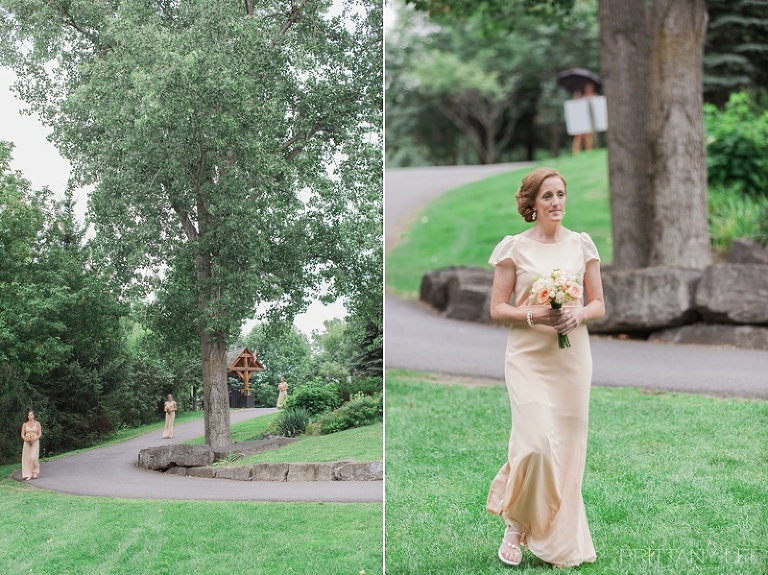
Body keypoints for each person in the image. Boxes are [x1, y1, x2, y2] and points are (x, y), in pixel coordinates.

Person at [487, 167, 605, 568]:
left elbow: (598, 303)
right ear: (533, 204)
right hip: (528, 357)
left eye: (560, 194)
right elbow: (498, 309)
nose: (556, 202)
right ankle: (514, 526)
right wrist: (536, 314)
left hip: (572, 359)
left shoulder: (582, 244)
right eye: (547, 196)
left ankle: (558, 540)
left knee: (567, 449)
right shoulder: (514, 248)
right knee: (535, 442)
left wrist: (578, 314)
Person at [571, 80, 596, 155]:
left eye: (590, 87)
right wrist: (576, 98)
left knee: (588, 137)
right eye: (587, 87)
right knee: (578, 136)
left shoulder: (594, 96)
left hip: (589, 121)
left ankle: (589, 151)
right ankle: (575, 152)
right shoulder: (581, 96)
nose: (588, 89)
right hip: (581, 120)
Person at [20, 410, 42, 480]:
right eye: (28, 415)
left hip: (35, 441)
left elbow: (39, 434)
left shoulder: (37, 423)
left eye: (31, 415)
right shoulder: (25, 424)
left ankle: (35, 471)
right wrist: (26, 439)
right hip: (27, 442)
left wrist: (34, 439)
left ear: (34, 415)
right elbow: (22, 434)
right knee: (26, 458)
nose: (29, 416)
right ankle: (27, 474)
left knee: (33, 457)